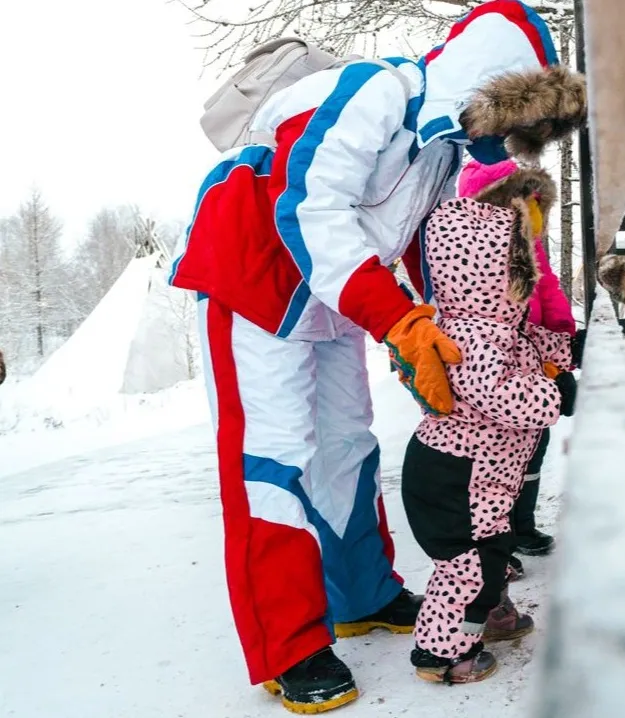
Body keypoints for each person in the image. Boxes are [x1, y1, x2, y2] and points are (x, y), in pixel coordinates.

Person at [165, 1, 586, 712]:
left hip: (330, 301)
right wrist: (398, 324)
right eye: (513, 122)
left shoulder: (446, 152)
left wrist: (452, 338)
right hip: (251, 280)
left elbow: (434, 257)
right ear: (486, 81)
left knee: (349, 446)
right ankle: (290, 646)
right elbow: (308, 206)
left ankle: (364, 593)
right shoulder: (370, 92)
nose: (509, 144)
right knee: (273, 458)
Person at [401, 174, 576, 683]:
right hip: (459, 481)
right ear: (496, 272)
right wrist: (558, 395)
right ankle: (441, 655)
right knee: (467, 570)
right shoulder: (475, 333)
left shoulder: (491, 324)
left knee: (482, 561)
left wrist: (566, 352)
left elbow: (529, 352)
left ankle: (470, 630)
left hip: (478, 481)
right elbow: (498, 394)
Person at [454, 159, 580, 569]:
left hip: (534, 354)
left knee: (532, 444)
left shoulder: (529, 240)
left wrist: (562, 342)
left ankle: (519, 526)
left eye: (537, 203)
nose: (534, 211)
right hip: (495, 358)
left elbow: (548, 287)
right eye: (526, 202)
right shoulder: (477, 249)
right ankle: (491, 545)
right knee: (493, 457)